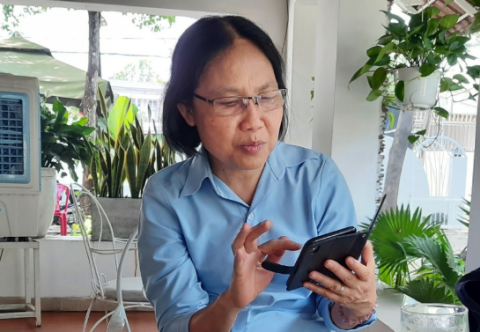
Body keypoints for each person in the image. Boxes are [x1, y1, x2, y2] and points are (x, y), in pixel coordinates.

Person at [138, 15, 378, 332]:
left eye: (266, 97)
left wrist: (355, 305)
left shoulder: (317, 177)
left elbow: (331, 305)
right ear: (187, 111)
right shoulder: (166, 195)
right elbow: (177, 321)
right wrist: (231, 302)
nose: (254, 121)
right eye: (229, 101)